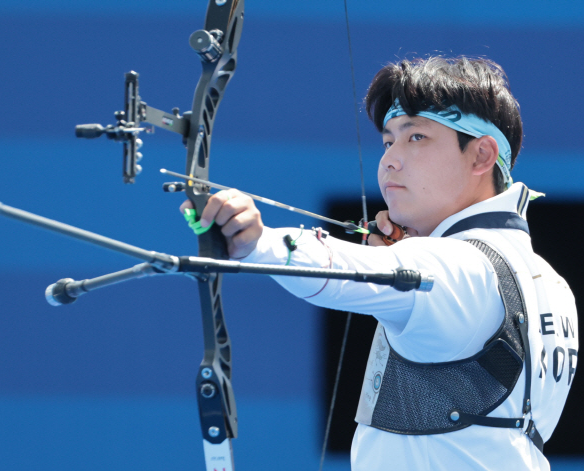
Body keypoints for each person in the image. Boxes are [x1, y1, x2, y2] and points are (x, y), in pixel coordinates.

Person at [181, 57, 578, 470]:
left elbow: (345, 269)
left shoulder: (459, 265)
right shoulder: (549, 280)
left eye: (417, 137)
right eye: (388, 141)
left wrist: (259, 242)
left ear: (481, 155)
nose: (389, 159)